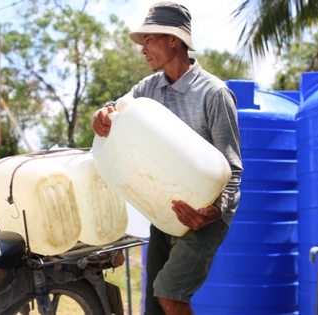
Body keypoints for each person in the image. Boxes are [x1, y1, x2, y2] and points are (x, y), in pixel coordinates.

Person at [91, 2, 242, 314]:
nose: (143, 49)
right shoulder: (149, 88)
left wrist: (212, 212)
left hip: (204, 214)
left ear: (174, 40)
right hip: (165, 210)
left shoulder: (215, 94)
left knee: (170, 295)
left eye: (149, 40)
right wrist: (103, 113)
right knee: (155, 307)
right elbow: (117, 107)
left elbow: (233, 172)